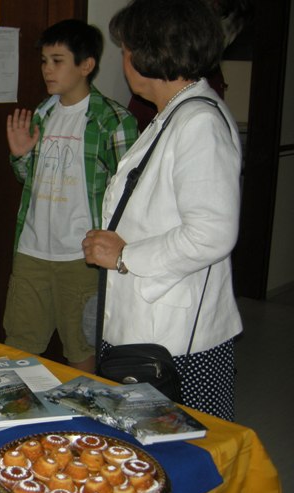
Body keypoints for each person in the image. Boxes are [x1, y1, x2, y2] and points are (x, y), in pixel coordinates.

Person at [82, 0, 243, 421]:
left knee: (183, 443)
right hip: (152, 322)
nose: (123, 60)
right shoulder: (173, 114)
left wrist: (124, 256)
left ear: (150, 53)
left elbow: (212, 233)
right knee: (140, 440)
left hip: (177, 339)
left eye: (126, 49)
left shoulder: (198, 123)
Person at [3, 19, 138, 373]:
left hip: (81, 256)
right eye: (44, 61)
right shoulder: (42, 114)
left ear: (86, 65)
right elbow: (29, 180)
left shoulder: (113, 120)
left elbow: (132, 196)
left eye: (57, 60)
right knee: (18, 344)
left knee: (81, 349)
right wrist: (20, 155)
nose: (47, 69)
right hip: (32, 249)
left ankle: (82, 409)